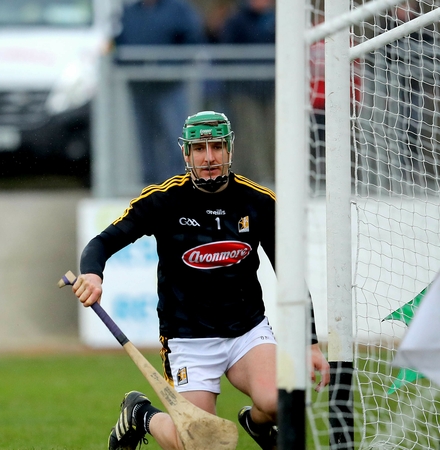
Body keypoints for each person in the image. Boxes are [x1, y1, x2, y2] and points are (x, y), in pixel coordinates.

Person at [70, 111, 330, 450]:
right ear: (186, 153)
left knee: (281, 403)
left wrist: (310, 343)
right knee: (199, 443)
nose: (209, 157)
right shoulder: (163, 200)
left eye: (217, 147)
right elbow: (102, 242)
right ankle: (139, 414)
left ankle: (256, 423)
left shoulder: (258, 202)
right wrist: (93, 274)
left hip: (247, 332)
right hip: (188, 339)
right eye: (199, 148)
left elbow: (290, 274)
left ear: (230, 150)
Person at [114, 0, 206, 185]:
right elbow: (119, 43)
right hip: (140, 87)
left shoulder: (178, 9)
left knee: (175, 138)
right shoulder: (130, 12)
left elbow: (192, 39)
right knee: (145, 142)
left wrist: (171, 64)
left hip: (169, 87)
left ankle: (177, 185)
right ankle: (151, 187)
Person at [219, 0, 276, 186]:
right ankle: (260, 179)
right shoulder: (236, 21)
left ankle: (276, 176)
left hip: (273, 89)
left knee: (275, 134)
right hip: (244, 91)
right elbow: (227, 53)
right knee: (252, 135)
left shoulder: (276, 20)